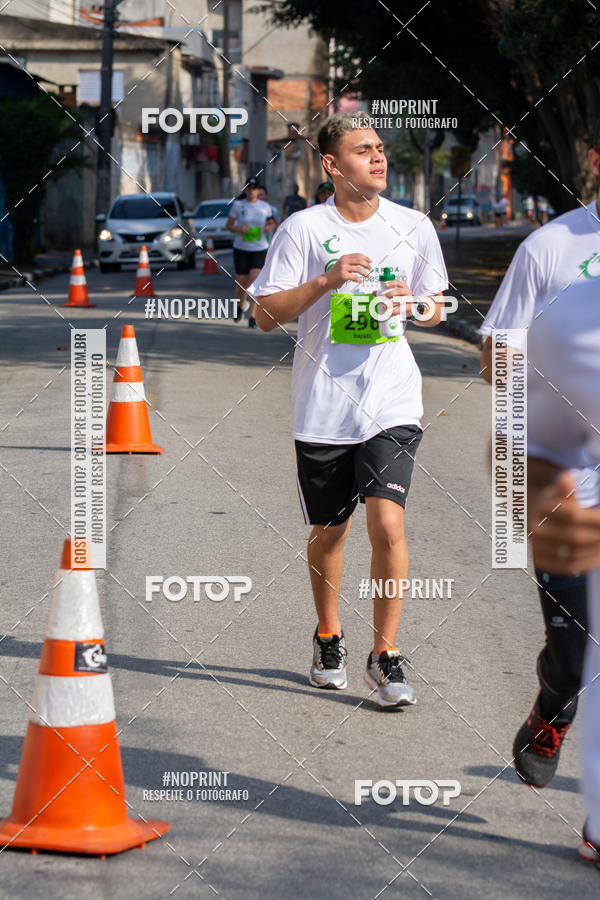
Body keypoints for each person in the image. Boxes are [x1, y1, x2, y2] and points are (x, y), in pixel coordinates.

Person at [247, 113, 449, 707]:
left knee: (388, 523)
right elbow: (264, 315)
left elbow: (439, 305)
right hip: (324, 405)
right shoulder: (304, 230)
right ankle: (328, 634)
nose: (378, 158)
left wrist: (415, 306)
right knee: (331, 531)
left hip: (392, 398)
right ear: (333, 165)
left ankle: (384, 654)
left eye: (381, 148)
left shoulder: (413, 225)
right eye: (364, 151)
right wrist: (326, 281)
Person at [479, 119, 600, 788]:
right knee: (577, 648)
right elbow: (499, 355)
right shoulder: (551, 248)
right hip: (569, 485)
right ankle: (553, 709)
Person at [524, 277, 600, 866]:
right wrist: (538, 499)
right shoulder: (571, 316)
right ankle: (553, 707)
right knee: (574, 662)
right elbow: (524, 439)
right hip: (587, 526)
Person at [226, 178, 276, 329]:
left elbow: (272, 223)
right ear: (245, 190)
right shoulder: (238, 205)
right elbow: (228, 225)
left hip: (259, 248)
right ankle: (241, 305)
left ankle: (253, 316)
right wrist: (239, 229)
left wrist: (269, 228)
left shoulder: (265, 207)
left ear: (258, 190)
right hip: (241, 248)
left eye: (254, 188)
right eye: (249, 188)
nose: (251, 191)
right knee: (242, 283)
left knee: (254, 282)